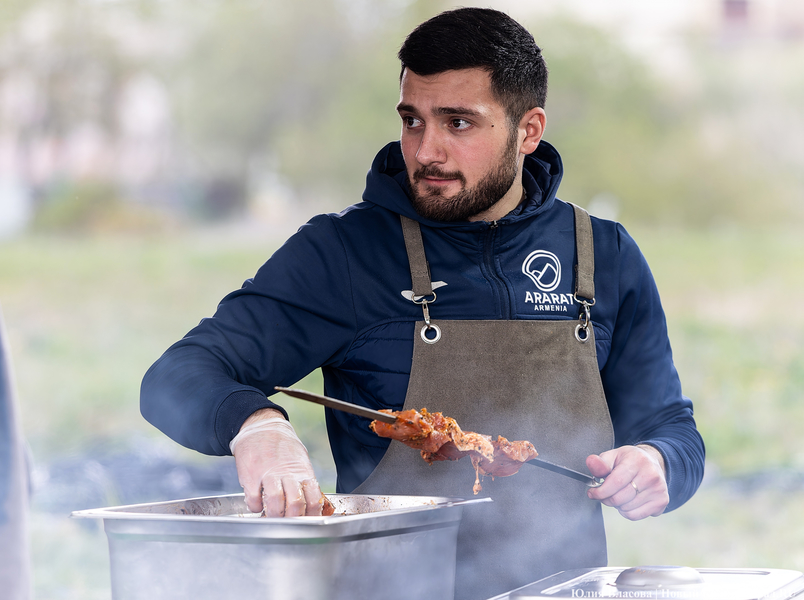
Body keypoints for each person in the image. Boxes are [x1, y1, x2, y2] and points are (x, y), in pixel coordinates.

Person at [141, 8, 705, 598]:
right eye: (413, 120)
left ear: (528, 129)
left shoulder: (604, 256)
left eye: (458, 123)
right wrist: (256, 427)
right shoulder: (345, 254)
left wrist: (658, 462)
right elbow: (176, 374)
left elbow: (672, 430)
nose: (426, 151)